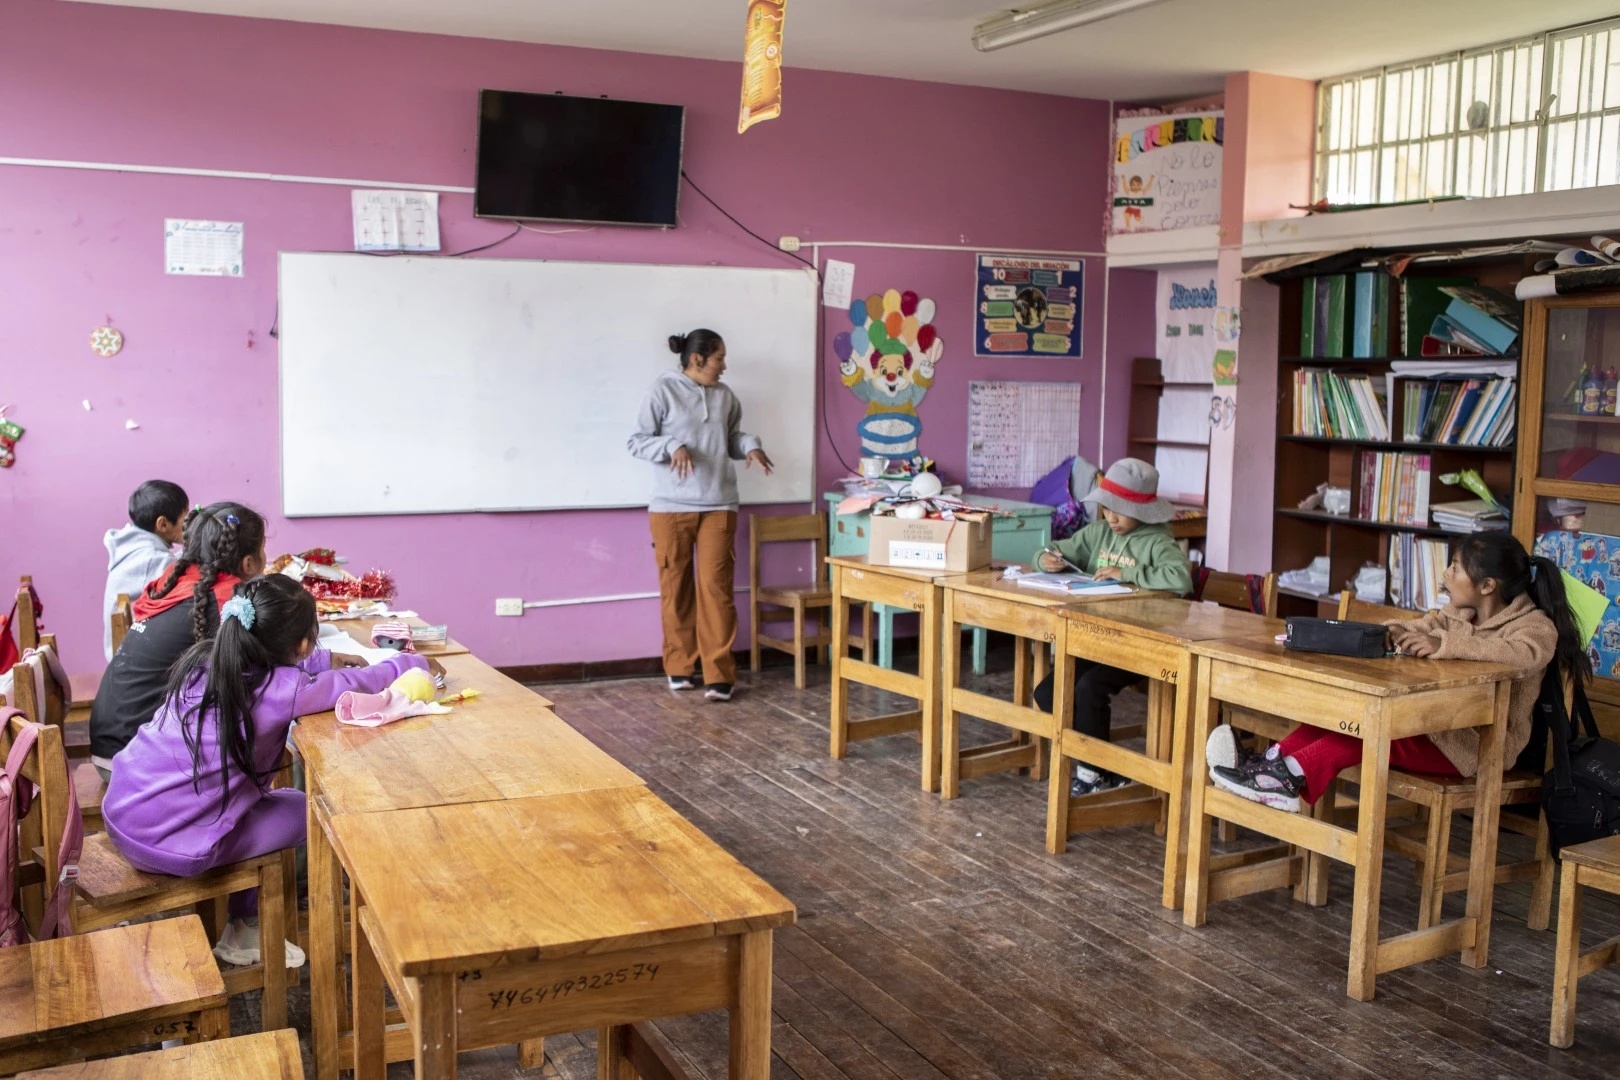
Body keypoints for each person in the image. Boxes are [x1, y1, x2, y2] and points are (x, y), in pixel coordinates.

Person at [102, 574, 434, 968]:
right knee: (306, 809)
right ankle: (246, 929)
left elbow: (299, 668)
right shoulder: (284, 690)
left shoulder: (207, 662)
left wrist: (320, 660)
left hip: (122, 814)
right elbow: (353, 682)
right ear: (303, 644)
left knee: (256, 805)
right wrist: (411, 663)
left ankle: (246, 924)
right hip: (171, 844)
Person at [1208, 533, 1583, 812]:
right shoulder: (1458, 614)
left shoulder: (1534, 627)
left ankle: (1284, 778)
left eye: (1455, 568)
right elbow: (1422, 624)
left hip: (1474, 749)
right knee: (1342, 718)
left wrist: (1444, 646)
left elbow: (1521, 656)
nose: (1446, 574)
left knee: (1366, 731)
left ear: (1488, 586)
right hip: (1435, 727)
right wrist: (1380, 632)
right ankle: (1272, 765)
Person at [89, 503, 368, 781]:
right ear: (249, 563)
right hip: (137, 761)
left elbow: (255, 652)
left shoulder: (179, 581)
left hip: (116, 743)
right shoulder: (229, 601)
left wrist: (322, 658)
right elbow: (266, 664)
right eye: (262, 550)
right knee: (286, 735)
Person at [1030, 458, 1193, 795]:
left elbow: (1180, 579)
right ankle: (1106, 765)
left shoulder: (1156, 540)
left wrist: (1127, 574)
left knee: (1089, 689)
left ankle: (1093, 770)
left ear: (1144, 512)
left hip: (1142, 645)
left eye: (1121, 511)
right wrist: (1046, 560)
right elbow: (1054, 549)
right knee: (1047, 693)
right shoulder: (1100, 533)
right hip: (1100, 641)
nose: (1111, 518)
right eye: (1106, 509)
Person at [628, 329, 773, 702]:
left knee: (717, 591)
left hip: (719, 504)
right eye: (719, 358)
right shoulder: (661, 391)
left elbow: (731, 438)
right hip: (670, 507)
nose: (724, 366)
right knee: (676, 590)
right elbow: (638, 441)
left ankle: (719, 676)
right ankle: (680, 667)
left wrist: (751, 447)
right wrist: (671, 444)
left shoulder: (725, 396)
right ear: (697, 359)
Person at [102, 480, 188, 661]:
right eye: (186, 517)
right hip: (136, 660)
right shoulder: (152, 560)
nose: (190, 525)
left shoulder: (133, 546)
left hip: (123, 654)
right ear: (163, 524)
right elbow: (186, 578)